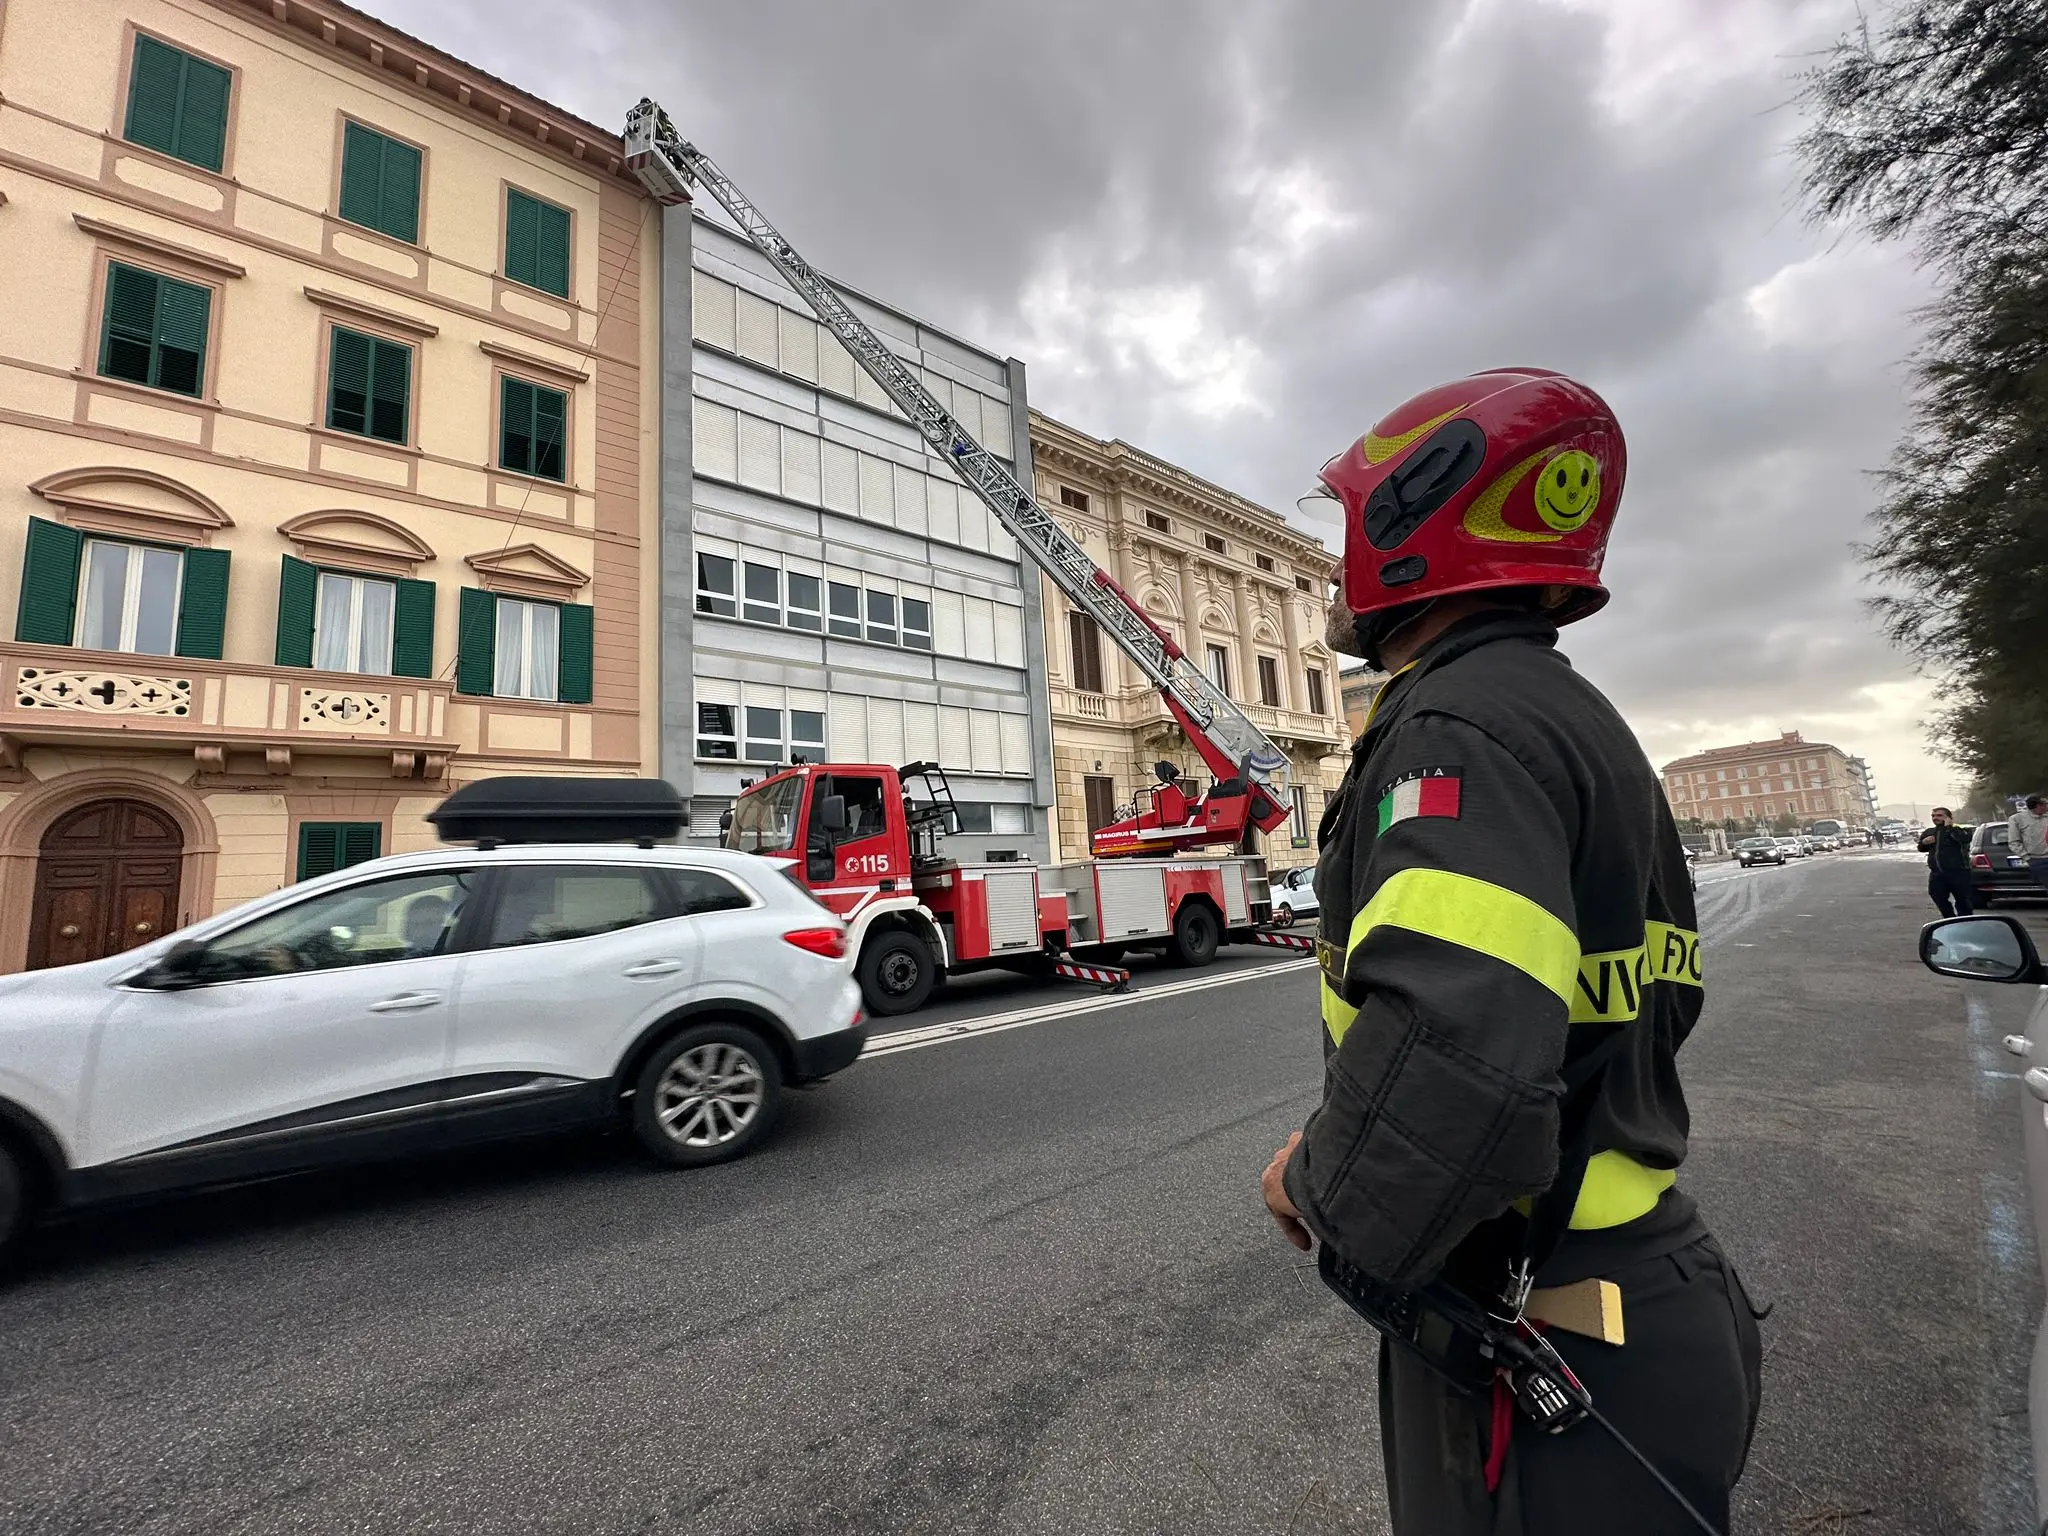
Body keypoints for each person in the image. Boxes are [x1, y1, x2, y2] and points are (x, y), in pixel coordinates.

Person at [1262, 368, 1760, 1534]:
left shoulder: (1453, 730)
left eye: (1345, 525)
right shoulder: (1565, 716)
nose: (1335, 566)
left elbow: (1459, 1047)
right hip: (1638, 1300)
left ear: (1411, 526)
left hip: (1554, 1336)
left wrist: (1314, 1182)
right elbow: (1628, 997)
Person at [1918, 808, 1974, 917]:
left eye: (1939, 815)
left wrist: (1949, 827)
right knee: (1936, 895)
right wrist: (1924, 842)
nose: (1935, 818)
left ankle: (1965, 920)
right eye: (1933, 816)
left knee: (1963, 899)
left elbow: (1964, 839)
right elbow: (1921, 848)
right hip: (1937, 873)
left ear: (1948, 818)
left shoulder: (1958, 830)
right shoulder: (1929, 832)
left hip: (1958, 873)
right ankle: (1949, 918)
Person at [2010, 795, 2048, 893]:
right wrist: (2027, 857)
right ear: (2038, 806)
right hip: (2038, 860)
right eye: (2045, 804)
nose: (2047, 806)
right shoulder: (2017, 819)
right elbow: (2014, 841)